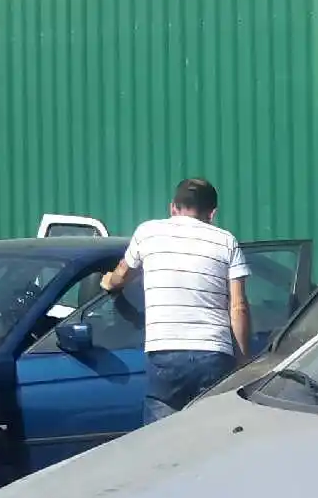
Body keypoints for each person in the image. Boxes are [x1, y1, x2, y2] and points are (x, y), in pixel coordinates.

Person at [99, 177, 252, 422]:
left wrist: (108, 282)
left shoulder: (147, 233)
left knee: (162, 442)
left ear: (173, 208)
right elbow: (238, 306)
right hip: (213, 355)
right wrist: (243, 360)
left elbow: (121, 276)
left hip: (165, 354)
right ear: (212, 213)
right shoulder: (226, 241)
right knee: (214, 438)